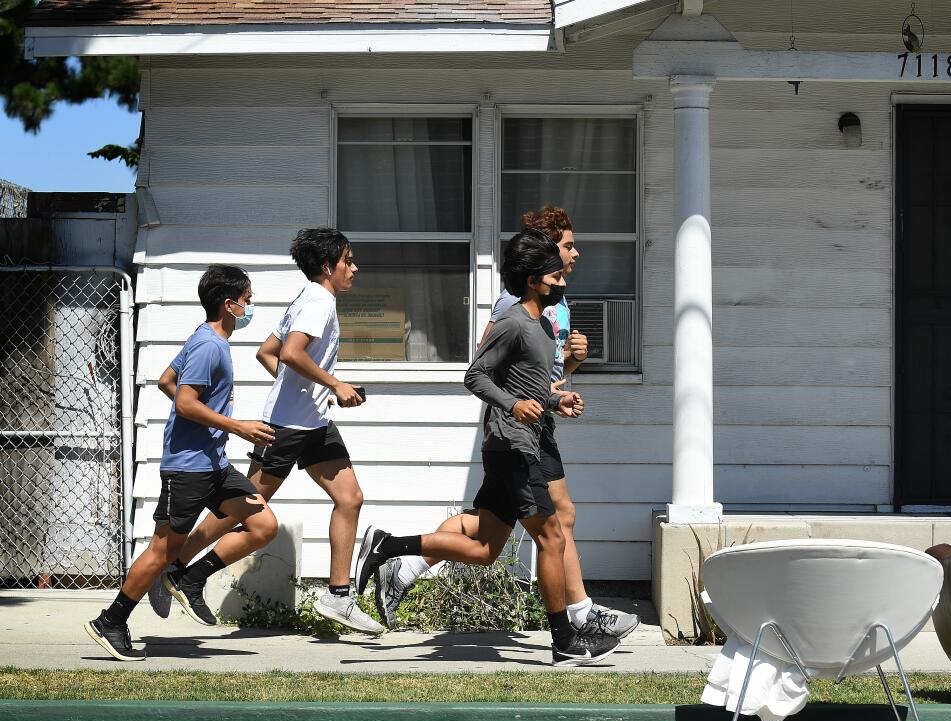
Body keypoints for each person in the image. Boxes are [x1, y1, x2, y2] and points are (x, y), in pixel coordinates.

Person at [353, 230, 620, 666]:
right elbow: (474, 376)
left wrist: (556, 401)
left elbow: (527, 385)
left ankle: (389, 546)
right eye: (555, 275)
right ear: (535, 280)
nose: (563, 281)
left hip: (519, 444)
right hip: (514, 449)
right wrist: (513, 405)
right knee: (552, 539)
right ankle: (564, 642)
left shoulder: (538, 326)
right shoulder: (514, 321)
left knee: (484, 550)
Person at [148, 228, 382, 635]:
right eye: (348, 261)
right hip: (287, 427)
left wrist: (309, 390)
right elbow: (289, 354)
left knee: (351, 498)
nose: (354, 269)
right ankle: (179, 566)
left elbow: (266, 353)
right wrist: (335, 384)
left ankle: (338, 596)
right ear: (328, 267)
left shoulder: (309, 299)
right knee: (240, 510)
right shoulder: (319, 303)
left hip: (312, 422)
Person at [85, 265, 278, 660]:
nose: (250, 307)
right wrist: (235, 426)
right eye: (248, 300)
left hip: (214, 464)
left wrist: (211, 426)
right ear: (229, 304)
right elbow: (185, 400)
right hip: (188, 468)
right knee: (161, 550)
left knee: (263, 524)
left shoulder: (205, 339)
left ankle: (189, 579)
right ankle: (112, 620)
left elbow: (165, 381)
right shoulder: (210, 346)